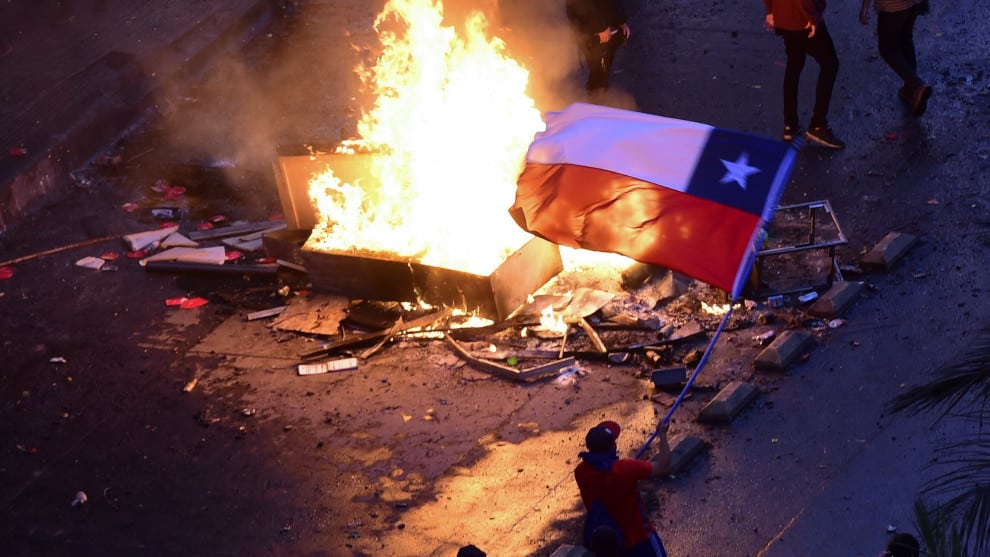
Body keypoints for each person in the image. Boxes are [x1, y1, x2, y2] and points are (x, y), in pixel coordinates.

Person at [574, 420, 671, 557]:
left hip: (610, 545)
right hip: (639, 539)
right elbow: (664, 466)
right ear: (612, 446)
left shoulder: (580, 472)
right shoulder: (625, 469)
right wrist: (662, 434)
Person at [763, 0, 845, 150]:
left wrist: (770, 10)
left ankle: (790, 125)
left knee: (794, 65)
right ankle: (818, 125)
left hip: (784, 17)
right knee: (830, 64)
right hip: (802, 19)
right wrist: (812, 17)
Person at [858, 0, 932, 117]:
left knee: (888, 50)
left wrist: (864, 7)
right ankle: (910, 89)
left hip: (893, 6)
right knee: (905, 39)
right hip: (914, 3)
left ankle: (916, 85)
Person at [565, 0, 631, 100]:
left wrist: (620, 20)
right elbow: (581, 5)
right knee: (598, 75)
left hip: (607, 30)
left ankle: (600, 107)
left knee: (603, 72)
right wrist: (599, 27)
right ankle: (596, 107)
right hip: (592, 33)